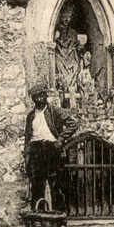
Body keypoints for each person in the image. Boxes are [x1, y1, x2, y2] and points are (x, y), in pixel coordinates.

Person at [24, 84, 78, 212]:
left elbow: (73, 124)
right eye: (37, 96)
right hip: (36, 150)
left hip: (51, 149)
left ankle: (60, 217)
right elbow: (27, 137)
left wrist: (60, 140)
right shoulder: (31, 116)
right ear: (33, 99)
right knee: (37, 185)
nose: (40, 99)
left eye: (43, 95)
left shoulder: (54, 111)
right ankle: (38, 217)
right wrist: (26, 154)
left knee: (56, 184)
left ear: (46, 96)